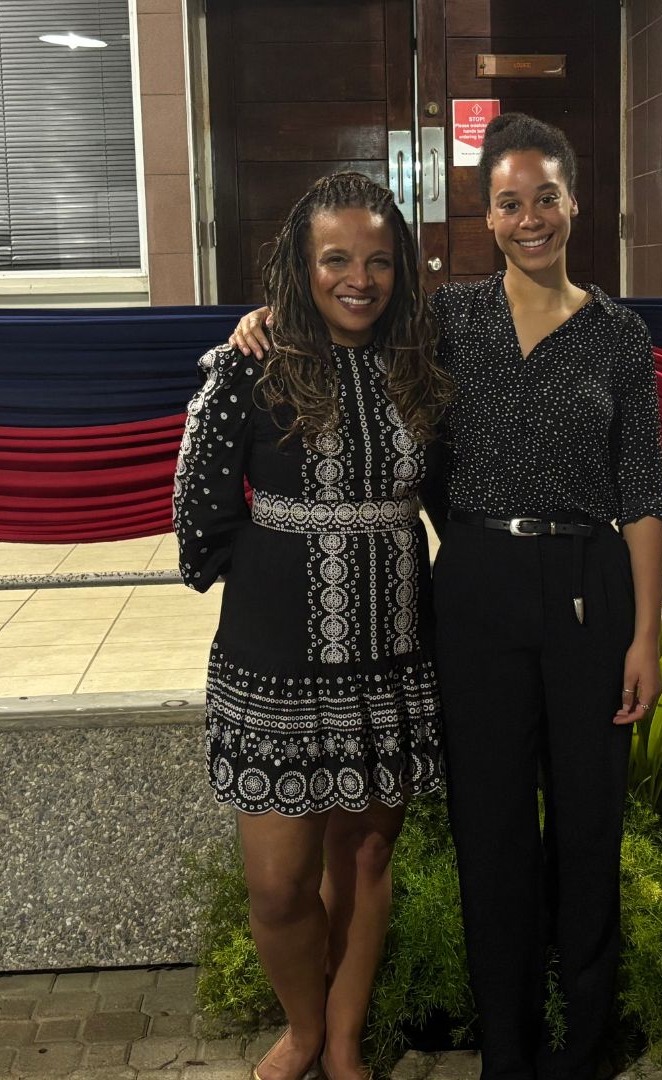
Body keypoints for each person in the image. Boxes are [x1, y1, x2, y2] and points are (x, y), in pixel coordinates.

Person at [232, 114, 662, 1080]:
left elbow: (644, 495)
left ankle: (584, 1046)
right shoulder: (444, 324)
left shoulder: (619, 336)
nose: (530, 218)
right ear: (486, 215)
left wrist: (647, 635)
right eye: (509, 202)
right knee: (493, 833)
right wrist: (259, 320)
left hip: (590, 592)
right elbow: (340, 312)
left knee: (590, 828)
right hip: (471, 588)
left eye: (545, 197)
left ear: (574, 201)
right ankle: (509, 1053)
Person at [174, 171, 451, 1080]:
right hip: (275, 662)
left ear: (400, 268)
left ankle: (340, 1036)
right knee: (280, 883)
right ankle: (299, 1024)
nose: (358, 279)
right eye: (336, 259)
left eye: (377, 260)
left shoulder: (422, 361)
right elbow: (199, 511)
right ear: (303, 265)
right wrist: (263, 573)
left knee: (367, 855)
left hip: (392, 651)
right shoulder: (251, 363)